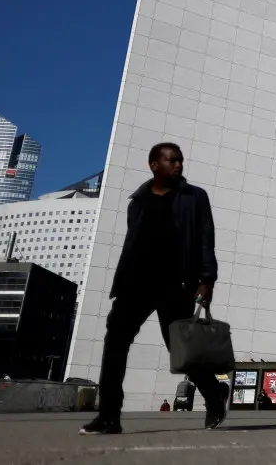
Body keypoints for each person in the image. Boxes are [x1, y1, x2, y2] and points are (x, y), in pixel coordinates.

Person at [79, 143, 227, 435]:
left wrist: (207, 280)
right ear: (154, 165)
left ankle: (213, 393)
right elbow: (132, 244)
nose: (178, 165)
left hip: (174, 283)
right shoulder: (138, 201)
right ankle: (109, 416)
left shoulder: (194, 197)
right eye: (171, 160)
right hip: (134, 283)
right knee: (115, 345)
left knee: (180, 350)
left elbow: (205, 240)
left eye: (180, 160)